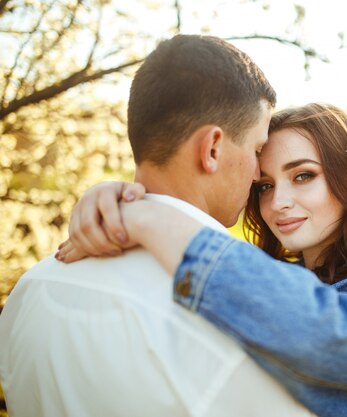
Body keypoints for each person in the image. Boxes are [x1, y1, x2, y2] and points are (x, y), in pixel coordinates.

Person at [0, 34, 316, 417]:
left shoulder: (32, 289)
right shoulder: (242, 312)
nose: (255, 175)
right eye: (255, 150)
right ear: (212, 149)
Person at [58, 103, 347, 417]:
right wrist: (117, 200)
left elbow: (320, 331)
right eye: (265, 186)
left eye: (303, 175)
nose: (278, 203)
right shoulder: (272, 277)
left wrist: (151, 217)